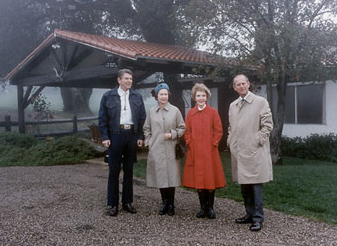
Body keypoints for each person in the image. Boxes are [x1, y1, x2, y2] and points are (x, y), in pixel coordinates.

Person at [227, 74, 273, 231]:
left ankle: (258, 218)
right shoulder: (233, 105)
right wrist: (230, 140)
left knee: (255, 185)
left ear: (248, 84)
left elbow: (267, 125)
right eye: (238, 84)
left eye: (243, 83)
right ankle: (249, 213)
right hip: (239, 151)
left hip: (254, 151)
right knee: (244, 185)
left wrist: (257, 140)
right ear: (234, 87)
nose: (241, 86)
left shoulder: (260, 102)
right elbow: (231, 127)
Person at [98, 69, 146, 217]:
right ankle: (112, 204)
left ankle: (127, 202)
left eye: (131, 79)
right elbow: (102, 119)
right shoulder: (108, 96)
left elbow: (142, 118)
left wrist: (140, 136)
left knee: (129, 171)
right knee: (114, 171)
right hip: (115, 136)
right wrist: (105, 137)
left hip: (131, 135)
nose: (129, 81)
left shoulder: (137, 96)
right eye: (126, 79)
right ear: (119, 80)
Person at [182, 83, 226, 219]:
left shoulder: (213, 112)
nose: (201, 98)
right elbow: (187, 130)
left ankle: (210, 208)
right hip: (195, 151)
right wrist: (189, 142)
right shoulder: (191, 113)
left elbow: (218, 130)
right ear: (194, 97)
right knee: (199, 180)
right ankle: (202, 208)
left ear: (207, 97)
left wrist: (213, 143)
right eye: (198, 95)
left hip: (209, 151)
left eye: (203, 95)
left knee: (210, 179)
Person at [143, 83, 186, 216]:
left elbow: (182, 128)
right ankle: (164, 203)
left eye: (166, 94)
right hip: (157, 149)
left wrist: (172, 134)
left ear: (169, 95)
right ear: (157, 96)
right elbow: (146, 128)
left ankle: (171, 204)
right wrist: (149, 142)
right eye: (161, 94)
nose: (163, 96)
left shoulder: (175, 110)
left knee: (171, 177)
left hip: (171, 148)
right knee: (161, 177)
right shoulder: (151, 111)